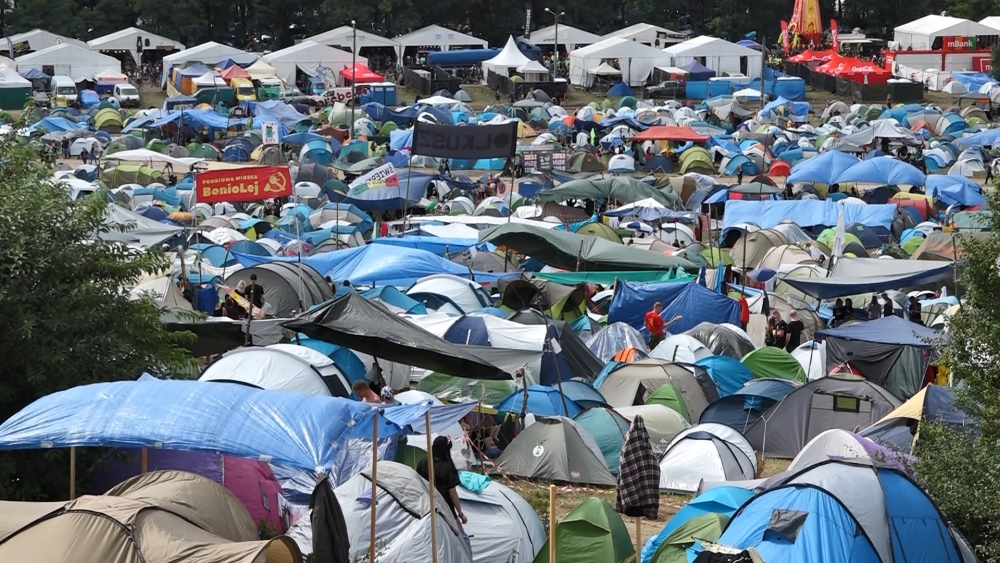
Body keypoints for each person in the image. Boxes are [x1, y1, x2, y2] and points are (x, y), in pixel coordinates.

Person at [416, 436, 467, 526]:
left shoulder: (423, 463)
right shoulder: (447, 468)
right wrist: (460, 514)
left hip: (426, 504)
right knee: (460, 535)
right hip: (445, 507)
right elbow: (453, 493)